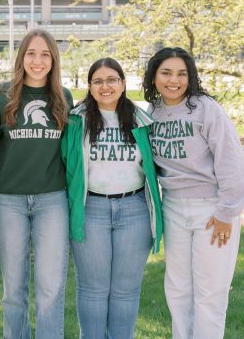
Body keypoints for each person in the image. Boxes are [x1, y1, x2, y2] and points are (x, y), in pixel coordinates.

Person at [143, 47, 244, 339]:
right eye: (166, 73)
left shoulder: (205, 108)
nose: (174, 80)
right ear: (154, 76)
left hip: (212, 209)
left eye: (181, 74)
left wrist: (227, 212)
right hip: (173, 207)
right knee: (178, 291)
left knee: (210, 293)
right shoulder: (153, 112)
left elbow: (231, 161)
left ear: (191, 77)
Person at [62, 57, 162, 339]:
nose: (105, 86)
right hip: (90, 208)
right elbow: (65, 165)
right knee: (93, 289)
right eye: (98, 81)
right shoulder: (75, 120)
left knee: (125, 290)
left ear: (122, 83)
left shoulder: (142, 120)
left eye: (111, 80)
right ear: (90, 86)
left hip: (134, 209)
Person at [0, 29, 73, 339]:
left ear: (53, 60)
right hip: (10, 200)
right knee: (14, 288)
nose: (37, 61)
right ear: (21, 57)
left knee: (50, 287)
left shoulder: (62, 97)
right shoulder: (2, 94)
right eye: (31, 53)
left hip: (52, 200)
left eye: (45, 54)